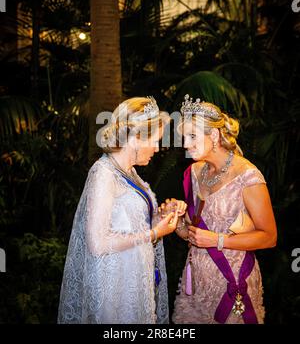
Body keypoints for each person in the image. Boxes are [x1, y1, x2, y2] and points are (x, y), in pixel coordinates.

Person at [58, 96, 187, 324]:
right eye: (155, 141)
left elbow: (132, 221)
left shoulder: (130, 173)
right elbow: (97, 243)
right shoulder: (104, 174)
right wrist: (155, 234)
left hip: (134, 278)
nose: (157, 148)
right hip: (114, 288)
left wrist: (164, 214)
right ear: (136, 138)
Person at [172, 95, 277, 324]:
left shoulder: (248, 177)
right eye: (184, 138)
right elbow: (192, 232)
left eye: (192, 137)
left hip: (232, 280)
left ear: (214, 135)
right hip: (195, 285)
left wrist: (218, 240)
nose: (185, 144)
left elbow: (269, 237)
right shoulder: (194, 173)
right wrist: (177, 219)